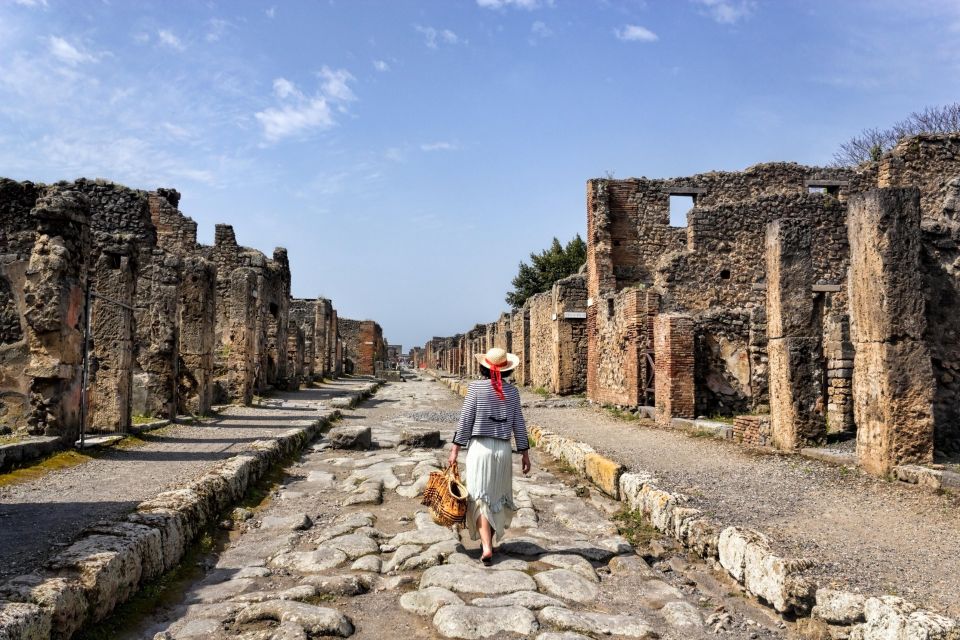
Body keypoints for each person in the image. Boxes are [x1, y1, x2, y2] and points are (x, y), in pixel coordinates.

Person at [448, 347, 531, 565]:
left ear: (483, 367)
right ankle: (489, 543)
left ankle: (485, 546)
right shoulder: (513, 393)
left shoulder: (475, 388)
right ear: (506, 370)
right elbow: (519, 425)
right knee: (495, 497)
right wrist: (524, 453)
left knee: (479, 497)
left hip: (480, 449)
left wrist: (455, 448)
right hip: (503, 450)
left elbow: (465, 420)